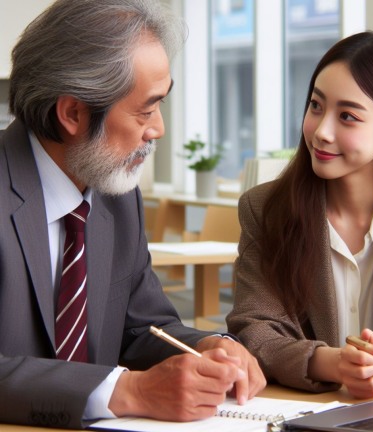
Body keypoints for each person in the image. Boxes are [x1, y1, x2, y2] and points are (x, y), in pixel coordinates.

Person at [0, 0, 266, 429]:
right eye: (146, 108)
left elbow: (145, 328)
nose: (158, 128)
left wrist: (212, 347)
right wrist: (129, 391)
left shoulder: (118, 196)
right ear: (72, 113)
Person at [227, 31, 373, 399]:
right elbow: (254, 328)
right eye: (316, 106)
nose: (321, 132)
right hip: (307, 414)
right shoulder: (266, 209)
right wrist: (332, 362)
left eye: (347, 116)